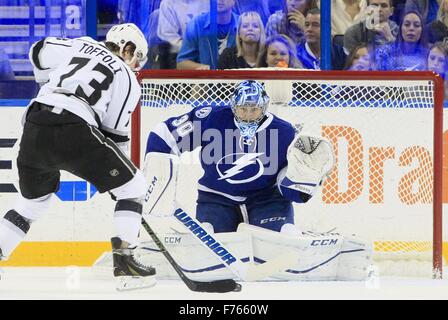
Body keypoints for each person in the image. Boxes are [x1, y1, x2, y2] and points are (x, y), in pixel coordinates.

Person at [0, 23, 155, 290]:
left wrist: (47, 83)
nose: (136, 66)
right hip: (74, 128)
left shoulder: (80, 43)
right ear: (127, 49)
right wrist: (120, 188)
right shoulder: (128, 79)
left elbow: (38, 51)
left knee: (31, 204)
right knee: (134, 188)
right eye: (137, 59)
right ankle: (125, 261)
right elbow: (113, 134)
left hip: (36, 122)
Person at [143, 80, 334, 233]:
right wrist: (158, 173)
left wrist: (302, 183)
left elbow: (289, 188)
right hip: (216, 197)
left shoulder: (284, 131)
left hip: (267, 199)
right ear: (234, 106)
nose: (249, 115)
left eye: (254, 109)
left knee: (285, 233)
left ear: (264, 107)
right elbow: (164, 134)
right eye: (243, 109)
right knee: (208, 234)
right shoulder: (211, 118)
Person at [176, 0, 239, 70]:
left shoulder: (243, 24)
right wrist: (204, 69)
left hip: (236, 79)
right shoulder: (196, 24)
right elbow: (181, 64)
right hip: (205, 79)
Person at [157, 0, 210, 67]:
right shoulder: (168, 3)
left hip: (210, 53)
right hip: (179, 55)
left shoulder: (212, 2)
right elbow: (169, 39)